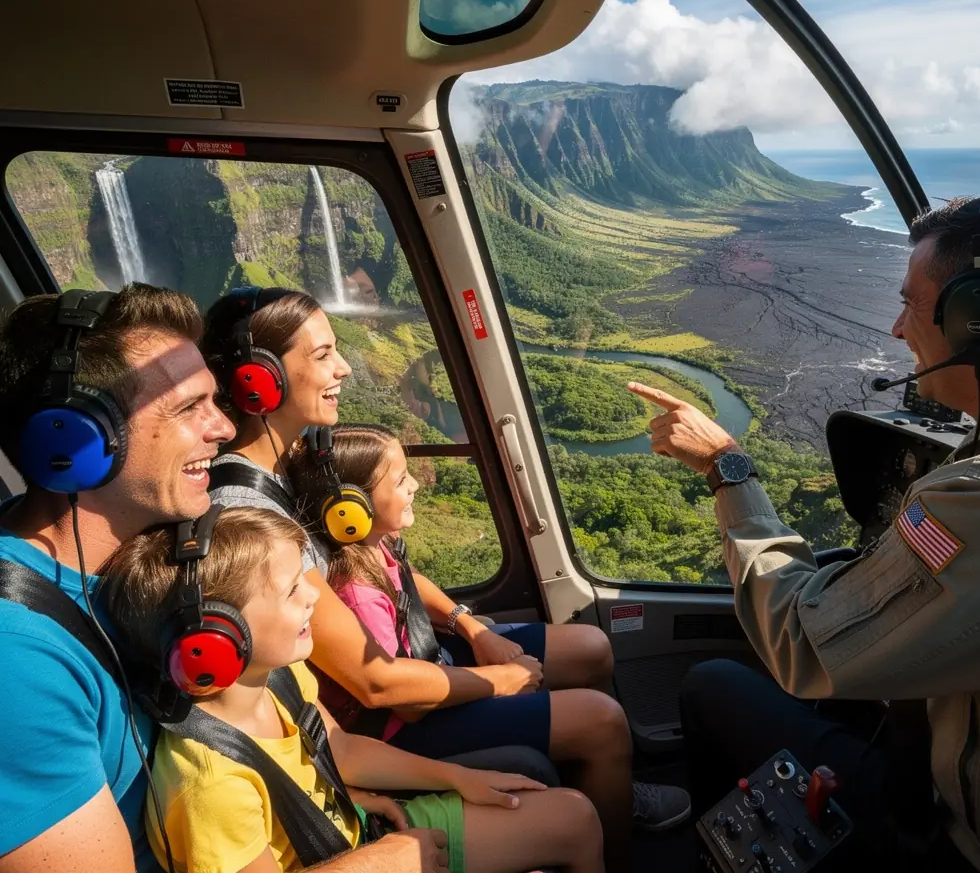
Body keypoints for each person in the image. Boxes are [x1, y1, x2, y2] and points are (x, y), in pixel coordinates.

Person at [201, 286, 693, 867]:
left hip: (411, 647)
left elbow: (386, 558)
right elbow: (375, 683)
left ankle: (609, 783)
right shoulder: (251, 514)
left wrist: (470, 626)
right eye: (323, 355)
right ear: (260, 380)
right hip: (384, 716)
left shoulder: (303, 454)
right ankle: (612, 840)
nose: (345, 366)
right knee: (602, 720)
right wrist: (499, 681)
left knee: (589, 646)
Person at [626, 192, 980, 873]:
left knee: (713, 685)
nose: (899, 330)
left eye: (913, 304)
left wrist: (730, 469)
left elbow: (802, 642)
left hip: (964, 839)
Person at [100, 504, 606, 873]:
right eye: (292, 589)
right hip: (360, 858)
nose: (311, 601)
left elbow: (338, 747)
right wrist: (385, 863)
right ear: (214, 638)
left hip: (361, 829)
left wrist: (455, 778)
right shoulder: (209, 784)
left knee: (575, 817)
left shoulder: (277, 676)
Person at [0, 285, 236, 873]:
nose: (226, 427)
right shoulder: (16, 661)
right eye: (190, 408)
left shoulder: (150, 562)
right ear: (71, 439)